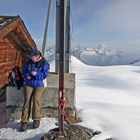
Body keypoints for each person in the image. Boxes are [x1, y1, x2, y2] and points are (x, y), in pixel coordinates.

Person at [20, 49, 50, 131]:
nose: (30, 57)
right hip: (28, 83)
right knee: (27, 101)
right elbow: (24, 71)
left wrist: (36, 74)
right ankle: (24, 121)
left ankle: (36, 119)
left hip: (39, 84)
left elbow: (45, 74)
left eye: (32, 56)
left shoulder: (44, 63)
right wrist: (26, 75)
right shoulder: (28, 62)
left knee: (36, 100)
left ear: (37, 56)